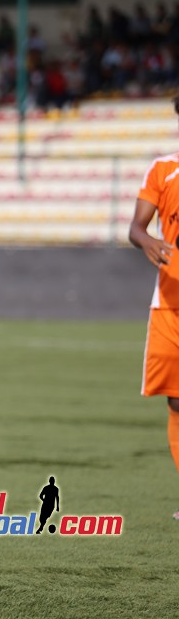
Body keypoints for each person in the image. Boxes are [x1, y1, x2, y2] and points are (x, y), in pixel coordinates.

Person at [127, 95, 179, 520]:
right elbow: (135, 228)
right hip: (170, 305)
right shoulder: (163, 169)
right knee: (177, 402)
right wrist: (147, 241)